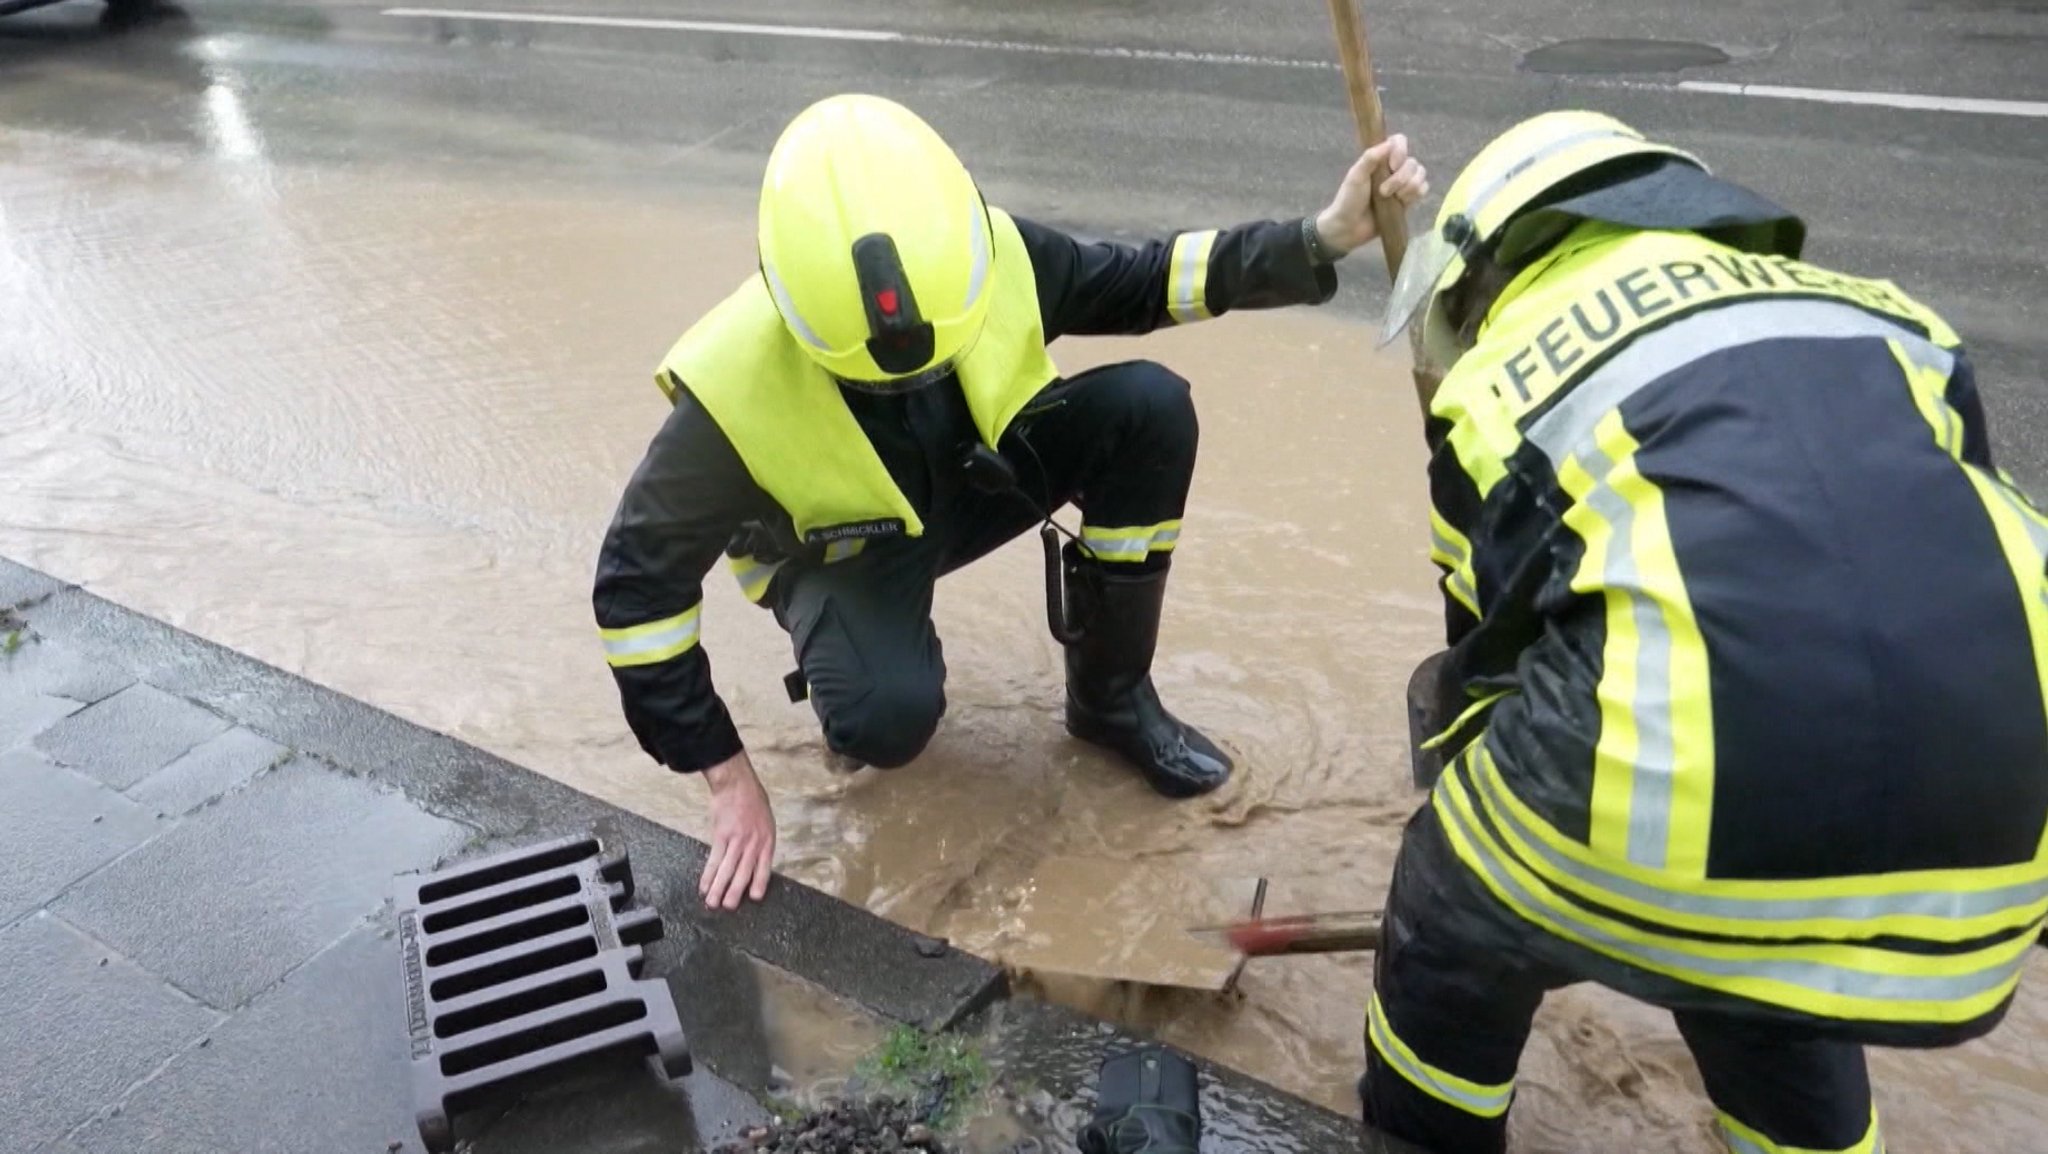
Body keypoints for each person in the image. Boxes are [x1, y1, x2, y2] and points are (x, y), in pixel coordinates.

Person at [1363, 108, 2048, 1154]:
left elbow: (1480, 662)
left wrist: (1501, 858)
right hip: (1996, 845)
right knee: (1772, 961)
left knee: (1450, 897)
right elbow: (1944, 564)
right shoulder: (1892, 319)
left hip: (1680, 805)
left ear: (1486, 266)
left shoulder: (1505, 374)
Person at [593, 93, 1429, 910]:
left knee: (1149, 409)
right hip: (846, 552)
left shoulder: (983, 256)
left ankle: (1110, 701)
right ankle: (848, 676)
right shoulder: (732, 394)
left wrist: (1319, 238)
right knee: (884, 720)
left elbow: (1143, 282)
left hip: (974, 476)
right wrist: (725, 773)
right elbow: (636, 595)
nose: (916, 382)